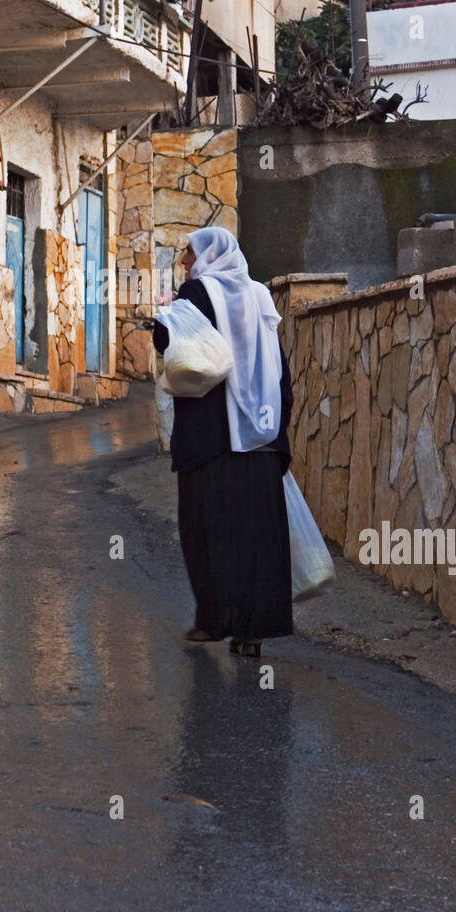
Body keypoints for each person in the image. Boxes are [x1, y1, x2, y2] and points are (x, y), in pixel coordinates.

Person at [152, 226, 293, 657]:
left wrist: (165, 316)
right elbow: (278, 366)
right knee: (258, 538)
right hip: (263, 437)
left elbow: (172, 348)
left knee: (208, 532)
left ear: (209, 255)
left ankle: (213, 620)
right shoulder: (261, 296)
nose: (183, 262)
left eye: (189, 253)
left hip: (212, 439)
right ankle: (254, 630)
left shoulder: (197, 293)